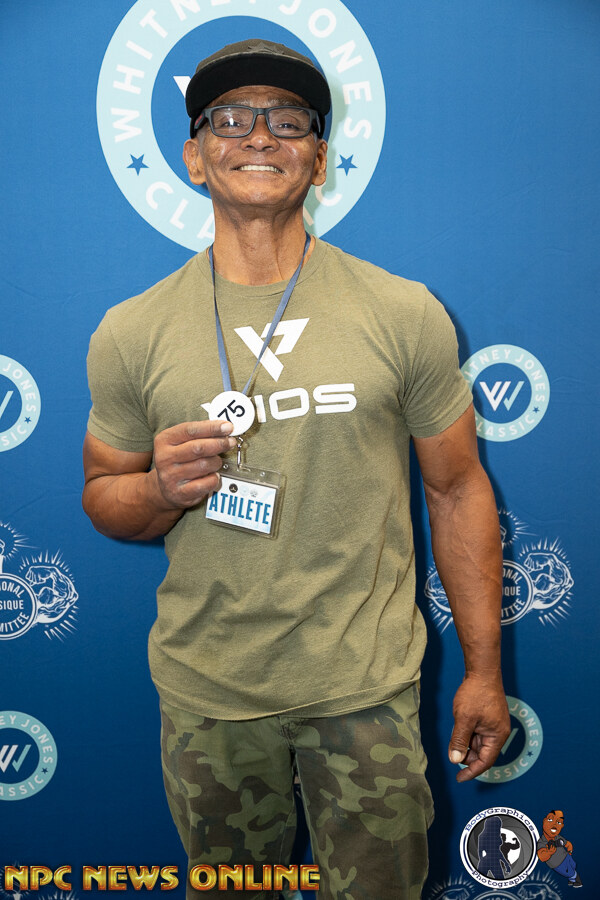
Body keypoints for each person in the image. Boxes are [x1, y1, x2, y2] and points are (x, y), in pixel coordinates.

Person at [83, 38, 510, 900]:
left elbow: (457, 487)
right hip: (209, 697)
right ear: (193, 157)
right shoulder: (131, 330)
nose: (259, 136)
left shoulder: (402, 311)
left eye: (288, 121)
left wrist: (484, 671)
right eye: (230, 119)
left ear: (319, 160)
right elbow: (103, 496)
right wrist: (158, 489)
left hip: (364, 691)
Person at [537, 810, 583, 888]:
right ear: (544, 821)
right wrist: (549, 853)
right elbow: (541, 856)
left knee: (573, 865)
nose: (554, 824)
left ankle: (571, 880)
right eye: (550, 819)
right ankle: (576, 878)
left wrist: (570, 851)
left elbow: (567, 843)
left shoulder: (558, 837)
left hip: (566, 856)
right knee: (569, 873)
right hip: (557, 864)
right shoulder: (542, 842)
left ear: (562, 826)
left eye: (558, 822)